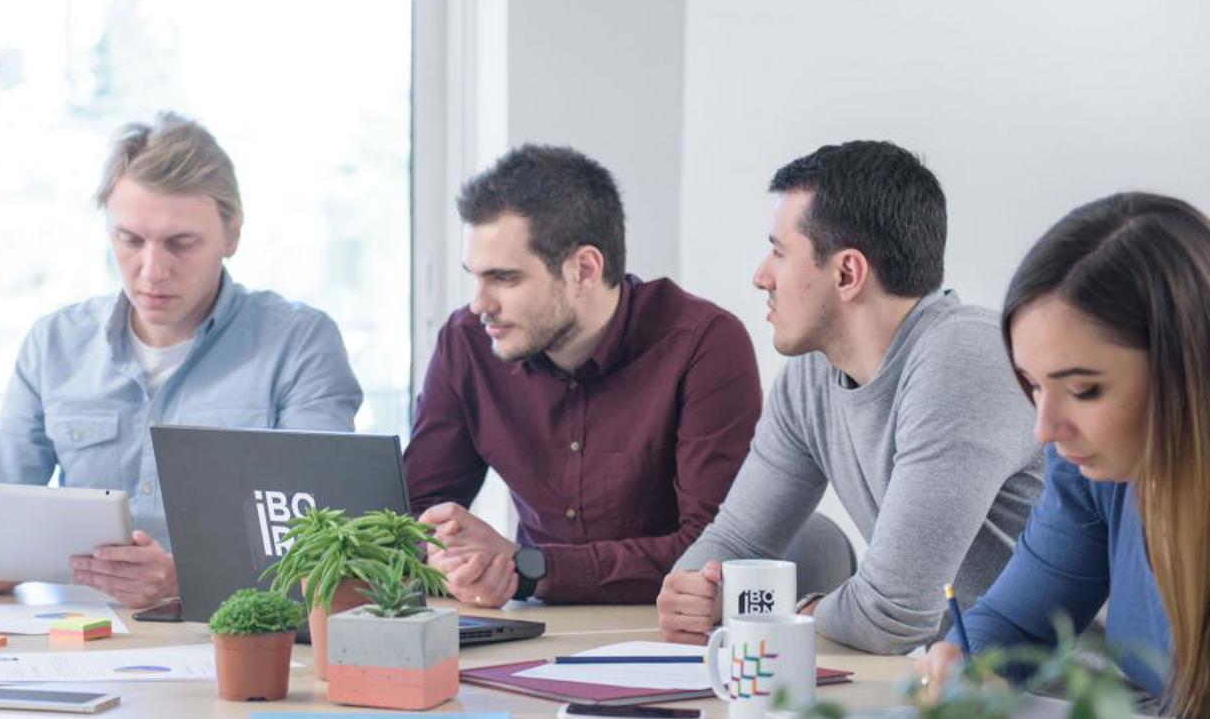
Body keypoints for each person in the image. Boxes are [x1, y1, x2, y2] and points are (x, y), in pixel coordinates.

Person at [0, 112, 362, 608]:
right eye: (130, 240)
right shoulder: (53, 344)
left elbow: (330, 543)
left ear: (232, 235)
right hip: (82, 639)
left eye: (180, 243)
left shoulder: (299, 343)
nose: (152, 270)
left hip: (240, 642)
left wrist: (190, 578)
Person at [657, 140, 1044, 655]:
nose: (760, 276)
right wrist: (691, 591)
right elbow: (736, 544)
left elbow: (892, 615)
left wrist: (785, 612)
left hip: (1080, 698)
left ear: (846, 274)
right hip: (959, 688)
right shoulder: (811, 378)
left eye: (778, 252)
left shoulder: (965, 357)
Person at [404, 144, 762, 607]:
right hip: (532, 630)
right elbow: (412, 511)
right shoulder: (466, 343)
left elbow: (711, 551)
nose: (479, 304)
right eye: (475, 277)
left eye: (505, 279)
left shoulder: (702, 344)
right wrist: (446, 559)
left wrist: (527, 568)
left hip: (667, 636)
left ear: (584, 269)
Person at [916, 192, 1210, 716]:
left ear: (1188, 371)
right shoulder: (1094, 468)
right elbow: (1018, 621)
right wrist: (970, 664)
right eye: (1032, 385)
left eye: (1084, 389)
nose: (1044, 430)